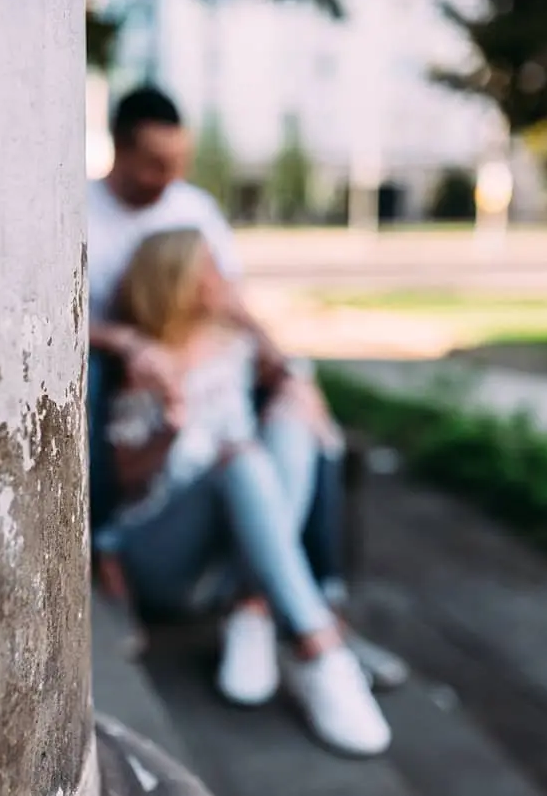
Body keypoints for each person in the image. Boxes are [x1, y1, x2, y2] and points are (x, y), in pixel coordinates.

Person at [98, 228, 391, 757]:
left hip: (229, 547)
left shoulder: (234, 344)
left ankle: (253, 606)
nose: (222, 279)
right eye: (208, 269)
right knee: (242, 457)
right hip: (161, 551)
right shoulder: (145, 360)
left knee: (291, 419)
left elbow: (295, 381)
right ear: (177, 280)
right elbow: (129, 482)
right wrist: (166, 423)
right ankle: (316, 644)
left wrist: (252, 322)